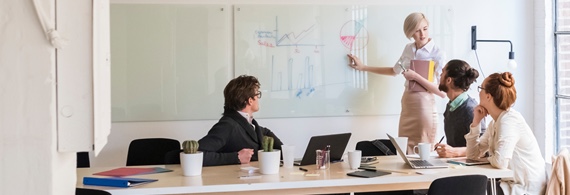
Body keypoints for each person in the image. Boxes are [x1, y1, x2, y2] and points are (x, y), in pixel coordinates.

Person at [347, 12, 445, 152]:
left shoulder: (438, 53)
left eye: (425, 28)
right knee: (404, 150)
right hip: (407, 103)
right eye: (417, 30)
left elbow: (441, 92)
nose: (422, 34)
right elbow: (394, 71)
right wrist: (363, 67)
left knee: (423, 151)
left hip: (425, 106)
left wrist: (415, 76)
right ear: (410, 33)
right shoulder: (408, 49)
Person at [466, 72, 546, 195]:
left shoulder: (509, 121)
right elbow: (473, 154)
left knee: (469, 189)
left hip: (524, 189)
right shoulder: (495, 122)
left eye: (480, 88)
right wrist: (476, 122)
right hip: (509, 184)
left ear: (488, 96)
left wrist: (487, 159)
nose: (478, 92)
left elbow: (500, 161)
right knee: (468, 187)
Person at [198, 75, 283, 166]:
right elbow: (196, 155)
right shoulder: (227, 125)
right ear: (250, 100)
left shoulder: (254, 127)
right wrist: (236, 157)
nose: (258, 98)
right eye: (257, 94)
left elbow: (282, 153)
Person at [434, 59, 486, 158]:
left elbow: (484, 147)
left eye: (442, 73)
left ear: (449, 80)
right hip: (454, 165)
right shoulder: (450, 106)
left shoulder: (470, 110)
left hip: (468, 168)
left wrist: (455, 152)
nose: (440, 76)